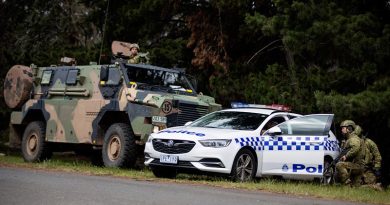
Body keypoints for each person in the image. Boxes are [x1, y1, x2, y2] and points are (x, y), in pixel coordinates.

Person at [335, 120, 368, 186]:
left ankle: (347, 184)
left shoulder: (353, 139)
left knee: (339, 165)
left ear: (349, 129)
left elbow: (355, 148)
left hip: (357, 165)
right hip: (357, 165)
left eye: (343, 128)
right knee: (356, 187)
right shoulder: (350, 139)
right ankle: (375, 187)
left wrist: (346, 156)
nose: (341, 130)